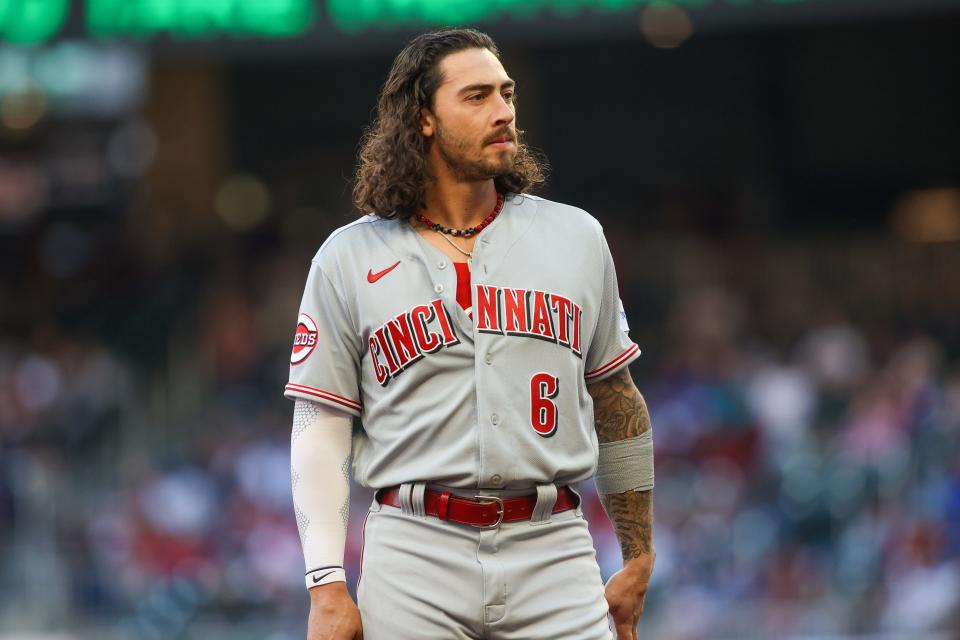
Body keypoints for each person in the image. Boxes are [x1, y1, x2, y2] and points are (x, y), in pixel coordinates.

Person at [286, 28, 656, 640]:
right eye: (477, 96)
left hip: (553, 544)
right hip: (414, 549)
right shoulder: (348, 256)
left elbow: (617, 400)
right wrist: (326, 583)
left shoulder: (576, 237)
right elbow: (321, 427)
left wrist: (638, 555)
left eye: (506, 94)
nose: (504, 111)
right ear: (423, 118)